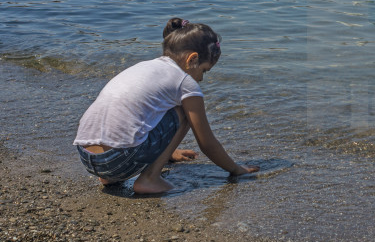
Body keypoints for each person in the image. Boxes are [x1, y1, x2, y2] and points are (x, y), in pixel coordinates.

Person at [74, 18, 258, 194]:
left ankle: (111, 177)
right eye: (204, 70)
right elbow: (207, 143)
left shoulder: (145, 66)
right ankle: (150, 179)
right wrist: (236, 169)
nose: (201, 78)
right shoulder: (185, 82)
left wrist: (171, 152)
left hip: (88, 158)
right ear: (192, 59)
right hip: (119, 160)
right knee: (185, 111)